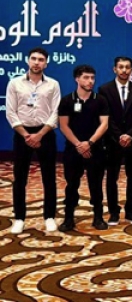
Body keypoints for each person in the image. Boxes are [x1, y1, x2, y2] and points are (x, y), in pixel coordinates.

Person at [6, 47, 61, 234]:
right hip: (22, 134)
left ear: (46, 63)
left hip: (45, 133)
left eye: (41, 60)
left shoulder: (53, 84)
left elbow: (55, 112)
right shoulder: (15, 83)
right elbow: (10, 112)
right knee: (19, 178)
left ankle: (49, 217)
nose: (37, 62)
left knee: (49, 177)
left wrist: (40, 134)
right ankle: (19, 218)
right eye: (34, 59)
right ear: (28, 61)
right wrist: (26, 135)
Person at [57, 65, 109, 231]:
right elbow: (64, 126)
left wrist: (89, 143)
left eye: (92, 78)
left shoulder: (100, 100)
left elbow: (104, 124)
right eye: (86, 77)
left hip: (96, 149)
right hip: (73, 149)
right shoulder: (67, 100)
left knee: (96, 184)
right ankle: (68, 218)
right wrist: (79, 144)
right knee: (72, 184)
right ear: (77, 79)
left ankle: (98, 217)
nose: (90, 81)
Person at [98, 56, 132, 225]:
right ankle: (113, 212)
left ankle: (130, 211)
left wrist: (130, 135)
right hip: (112, 141)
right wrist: (118, 136)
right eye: (121, 67)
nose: (124, 70)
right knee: (112, 177)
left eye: (127, 67)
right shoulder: (104, 89)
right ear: (114, 69)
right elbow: (105, 116)